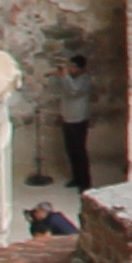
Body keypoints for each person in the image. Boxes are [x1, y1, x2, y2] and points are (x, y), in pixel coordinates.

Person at [56, 54, 93, 191]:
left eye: (72, 66)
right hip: (68, 118)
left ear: (79, 68)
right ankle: (76, 178)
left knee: (79, 152)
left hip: (78, 119)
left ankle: (85, 181)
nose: (70, 69)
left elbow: (74, 91)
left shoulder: (85, 80)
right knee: (71, 151)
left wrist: (65, 77)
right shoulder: (70, 79)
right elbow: (65, 89)